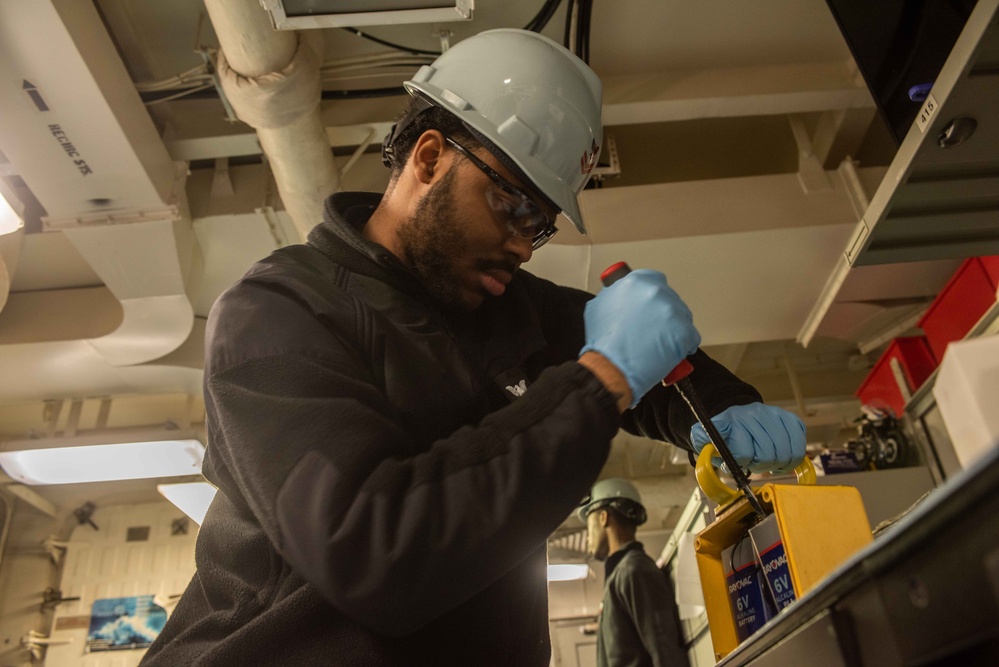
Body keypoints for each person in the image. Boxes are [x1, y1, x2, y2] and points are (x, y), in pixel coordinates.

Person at [141, 28, 805, 667]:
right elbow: (376, 552)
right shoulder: (278, 315)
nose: (522, 244)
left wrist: (715, 408)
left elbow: (645, 360)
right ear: (430, 158)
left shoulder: (504, 308)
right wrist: (600, 378)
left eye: (540, 227)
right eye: (513, 207)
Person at [580, 479, 690, 667]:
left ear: (603, 517)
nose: (587, 538)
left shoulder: (634, 570)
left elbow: (665, 652)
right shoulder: (619, 577)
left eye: (588, 528)